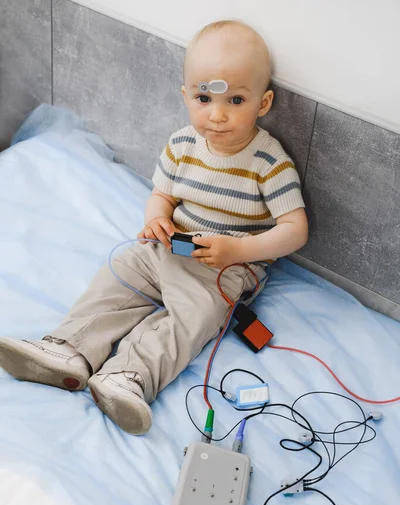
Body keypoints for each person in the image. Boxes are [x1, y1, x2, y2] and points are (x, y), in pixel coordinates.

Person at [0, 20, 308, 435]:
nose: (217, 115)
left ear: (263, 103)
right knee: (119, 277)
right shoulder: (181, 145)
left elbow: (294, 229)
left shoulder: (269, 163)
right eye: (204, 97)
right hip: (170, 247)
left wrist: (238, 251)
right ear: (186, 96)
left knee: (191, 318)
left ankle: (128, 376)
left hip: (224, 269)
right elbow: (161, 195)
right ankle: (70, 348)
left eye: (236, 100)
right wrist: (156, 219)